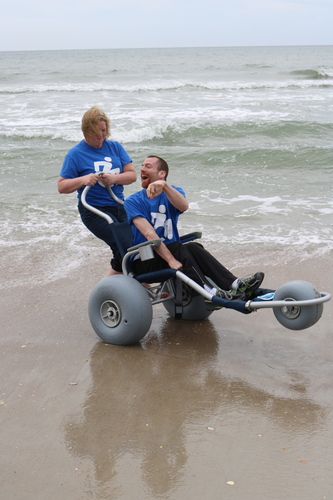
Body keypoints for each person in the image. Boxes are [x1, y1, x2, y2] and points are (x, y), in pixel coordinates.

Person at [124, 155, 264, 300]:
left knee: (194, 247)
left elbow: (183, 206)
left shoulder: (173, 192)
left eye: (148, 166)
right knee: (178, 247)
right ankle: (209, 293)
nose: (141, 169)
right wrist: (170, 260)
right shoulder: (132, 201)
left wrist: (164, 186)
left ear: (162, 174)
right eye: (141, 166)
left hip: (171, 253)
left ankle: (234, 284)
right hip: (145, 260)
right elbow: (149, 234)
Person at [58, 106, 136, 276]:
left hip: (118, 205)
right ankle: (139, 285)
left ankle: (108, 289)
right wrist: (83, 180)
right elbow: (62, 186)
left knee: (135, 243)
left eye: (103, 130)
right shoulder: (75, 154)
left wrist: (114, 178)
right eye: (96, 132)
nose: (101, 135)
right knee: (122, 245)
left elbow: (132, 176)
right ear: (86, 131)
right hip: (94, 210)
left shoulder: (115, 147)